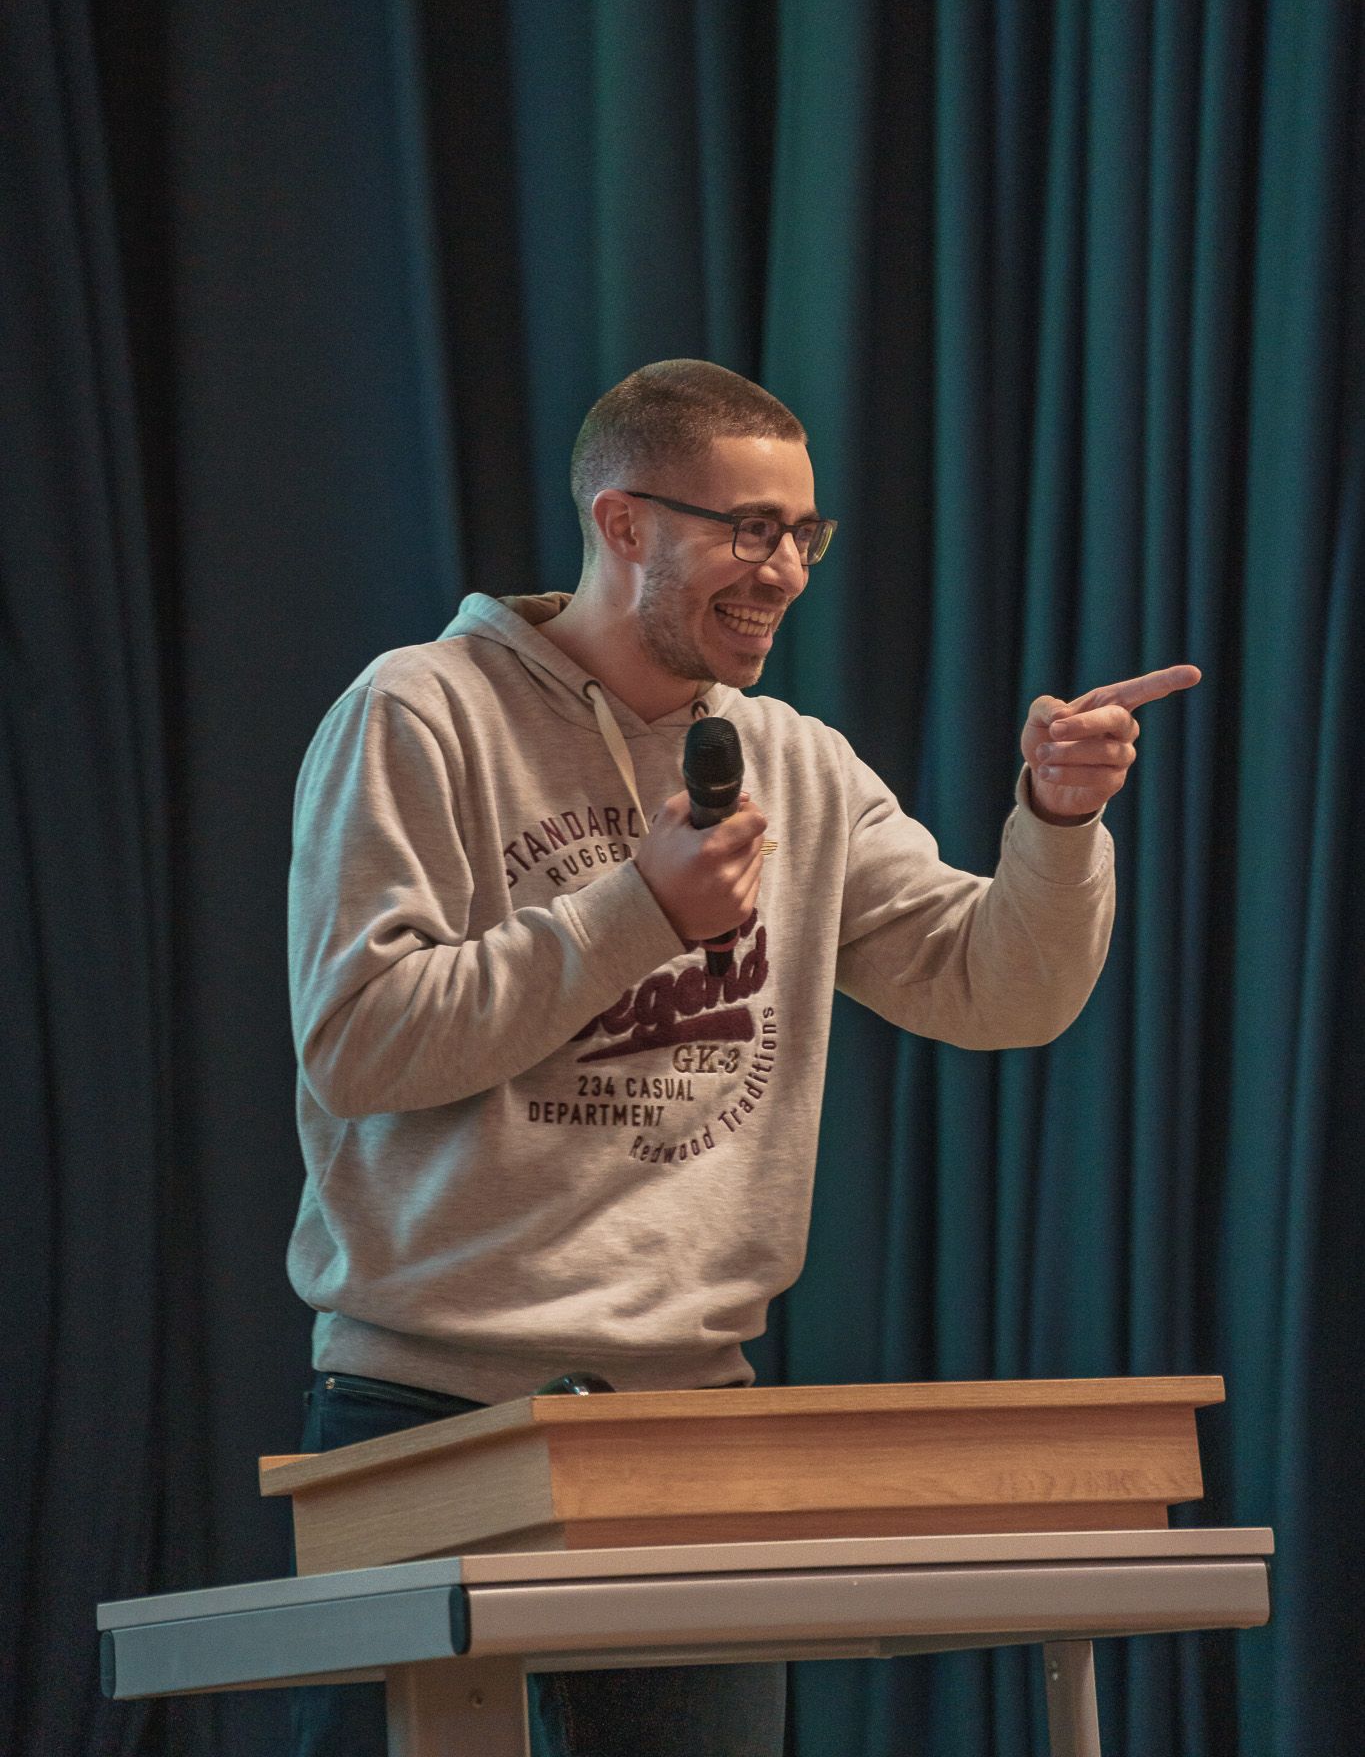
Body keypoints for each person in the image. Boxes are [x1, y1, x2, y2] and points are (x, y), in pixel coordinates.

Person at [284, 358, 1198, 1757]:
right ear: (623, 522)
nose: (783, 570)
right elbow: (359, 1044)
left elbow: (996, 990)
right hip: (427, 1409)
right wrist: (634, 910)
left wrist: (1054, 823)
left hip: (687, 1426)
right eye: (747, 528)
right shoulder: (421, 712)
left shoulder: (796, 762)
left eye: (802, 533)